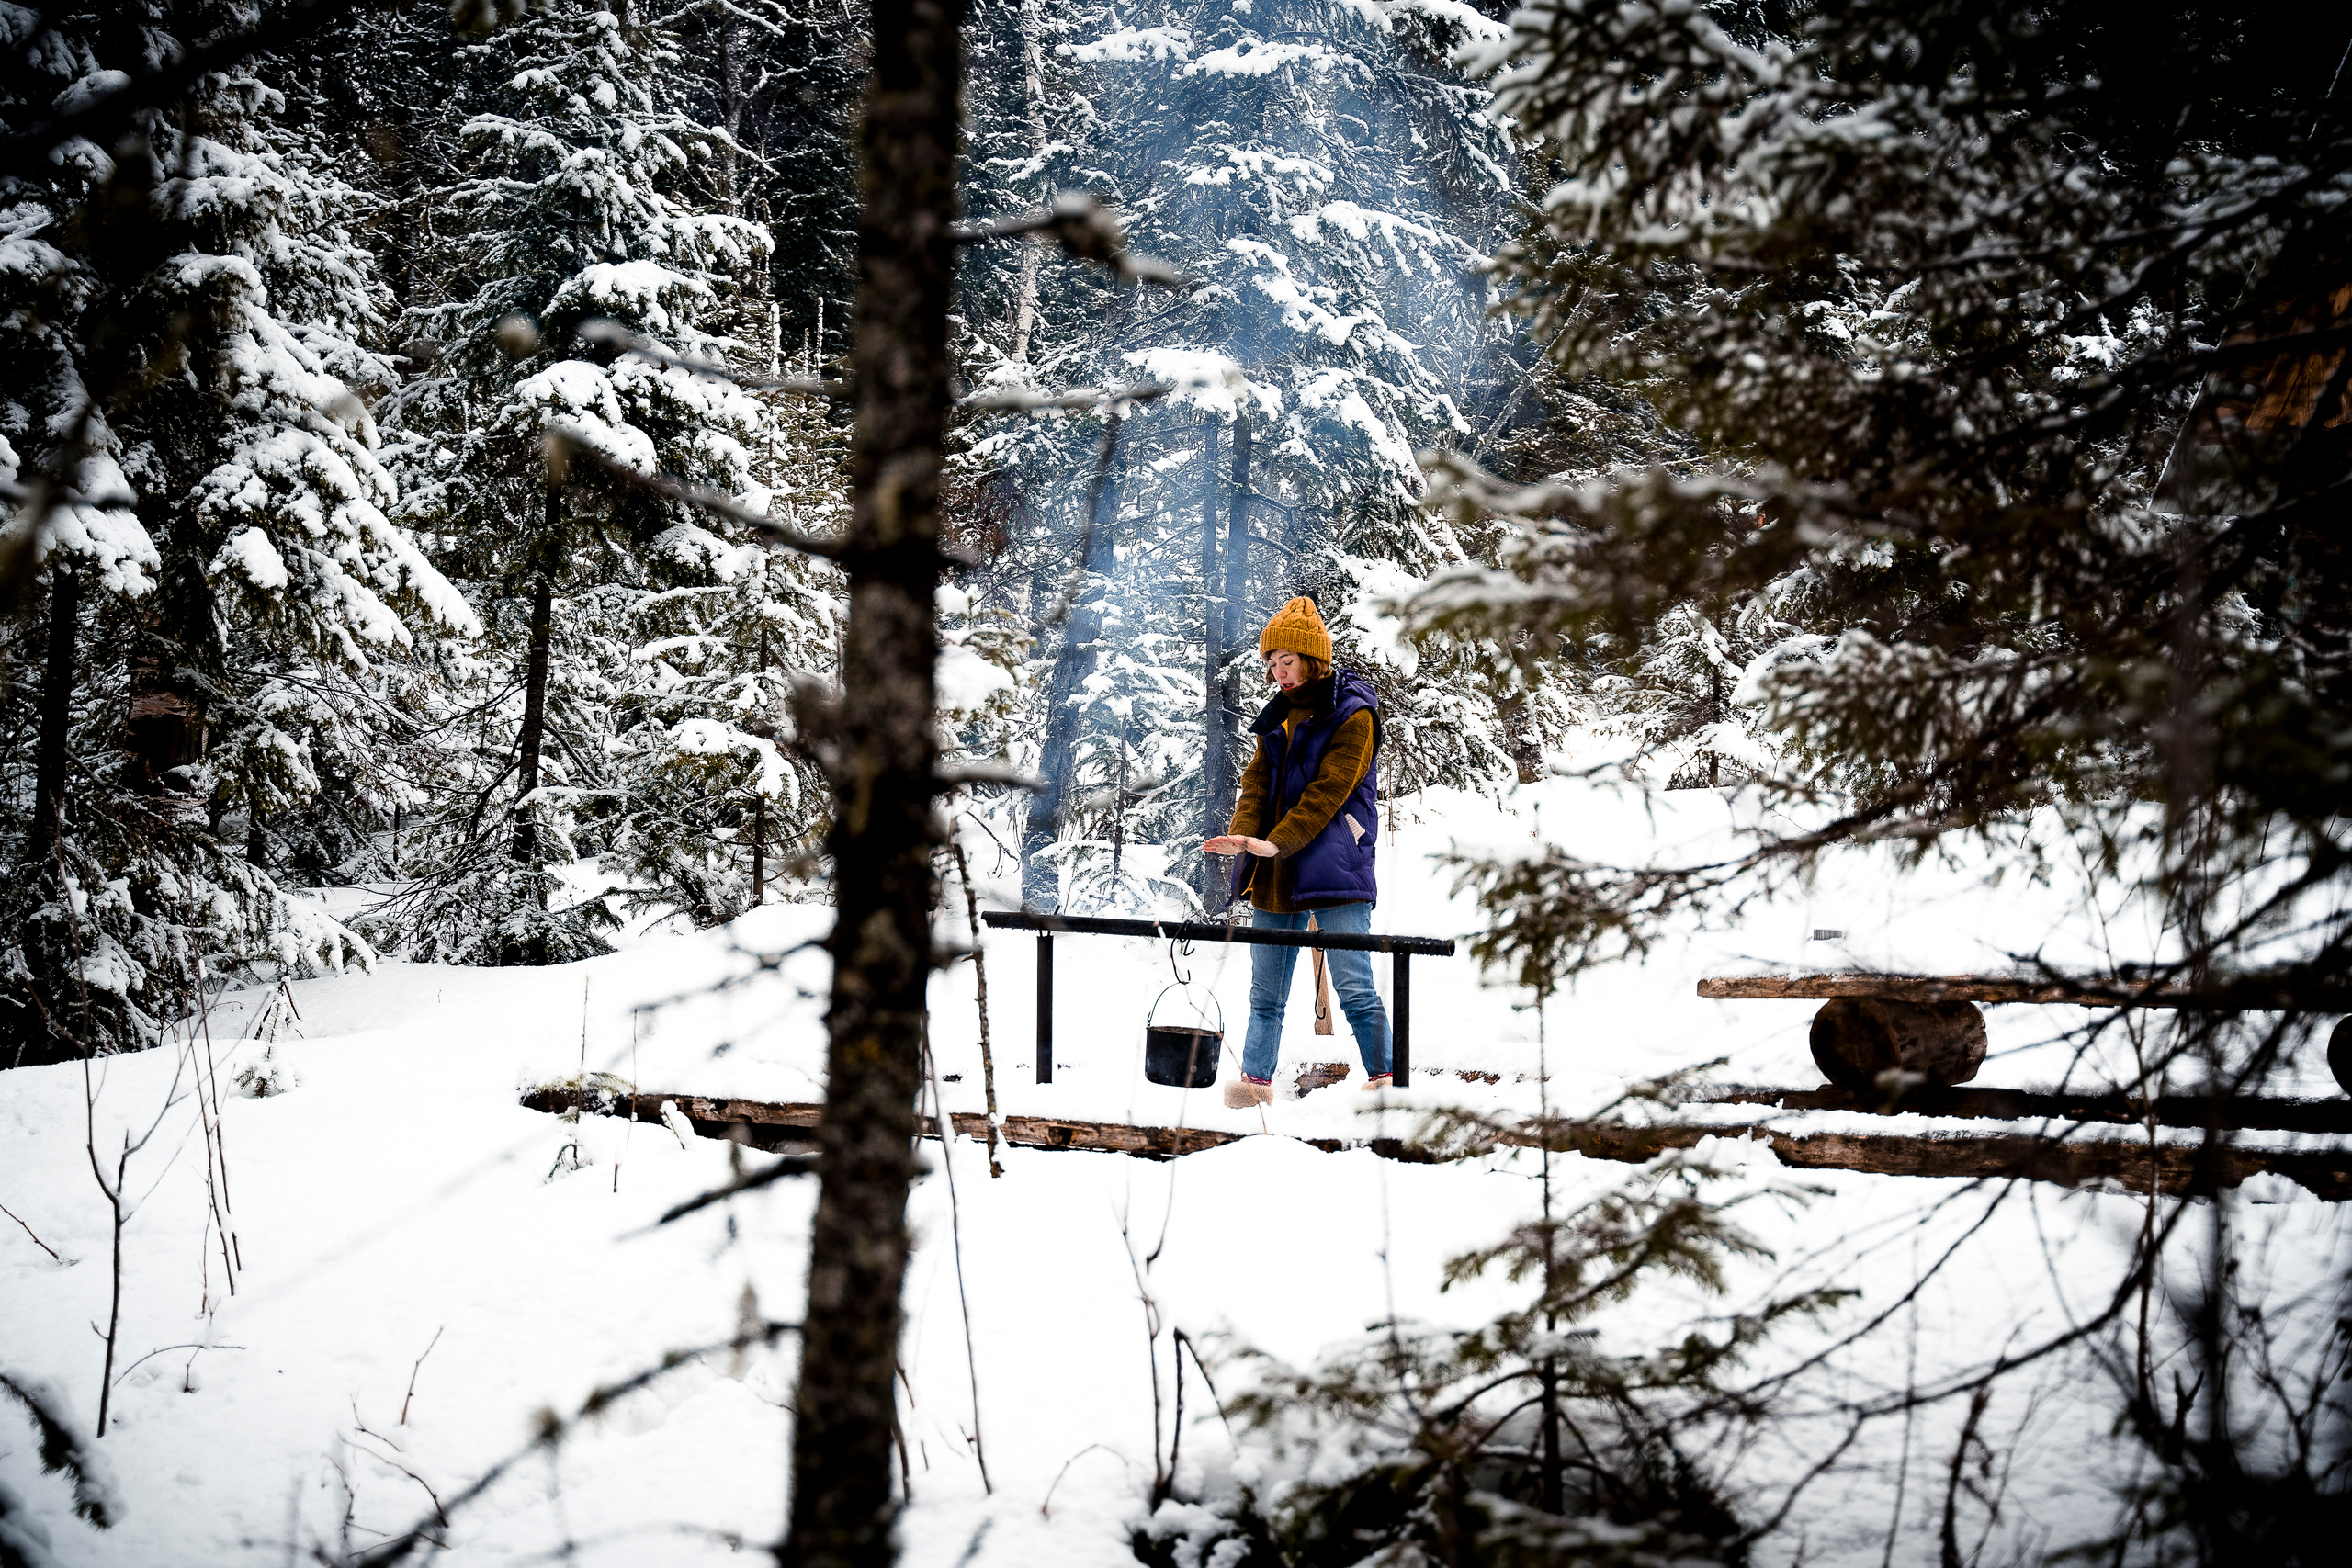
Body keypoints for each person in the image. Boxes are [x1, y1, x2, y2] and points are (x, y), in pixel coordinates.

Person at [1203, 596, 1391, 1107]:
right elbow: (1256, 787)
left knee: (1355, 987)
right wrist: (1245, 837)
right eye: (1271, 662)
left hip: (1335, 864)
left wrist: (1275, 841)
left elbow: (1328, 793)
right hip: (1275, 869)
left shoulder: (1354, 713)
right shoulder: (1276, 720)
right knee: (1266, 994)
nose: (1277, 672)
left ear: (1313, 660)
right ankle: (1255, 1088)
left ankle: (1385, 1084)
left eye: (1286, 661)